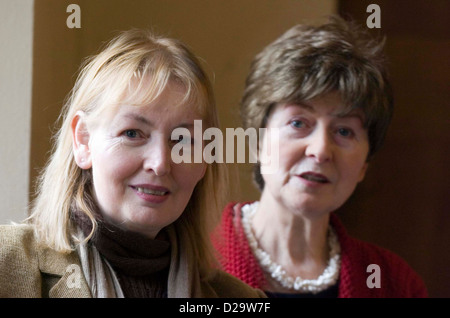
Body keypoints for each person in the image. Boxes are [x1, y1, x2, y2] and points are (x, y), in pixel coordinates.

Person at [0, 29, 265, 298]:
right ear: (83, 141)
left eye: (183, 140)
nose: (160, 163)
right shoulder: (6, 265)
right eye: (132, 133)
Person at [212, 16, 428, 298]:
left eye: (344, 131)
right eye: (299, 123)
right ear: (256, 140)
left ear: (364, 165)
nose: (321, 150)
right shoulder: (195, 258)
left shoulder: (394, 284)